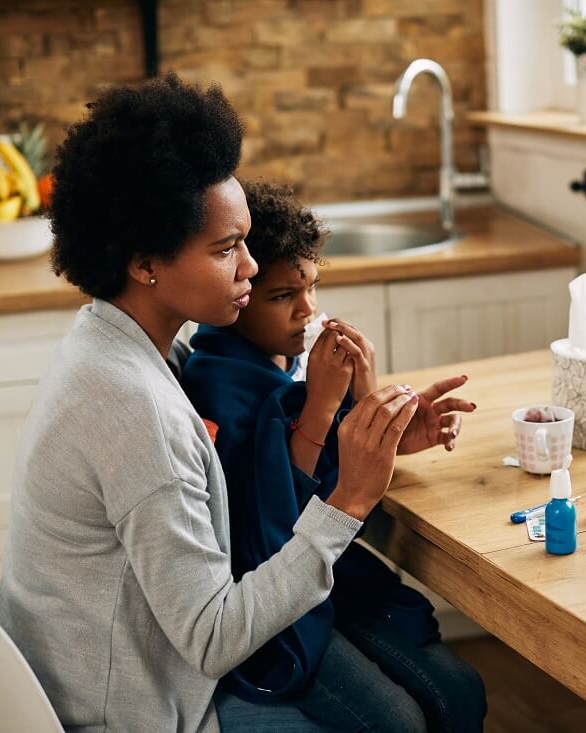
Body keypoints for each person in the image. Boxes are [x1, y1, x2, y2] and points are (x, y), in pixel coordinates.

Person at [0, 73, 423, 733]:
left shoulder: (120, 343)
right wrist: (350, 502)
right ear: (145, 263)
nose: (252, 266)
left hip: (130, 664)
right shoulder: (135, 409)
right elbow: (214, 636)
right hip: (131, 706)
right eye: (227, 249)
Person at [180, 180, 486, 732]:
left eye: (313, 288)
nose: (307, 310)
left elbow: (329, 482)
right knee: (399, 720)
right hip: (271, 607)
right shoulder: (220, 383)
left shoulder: (278, 363)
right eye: (282, 297)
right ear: (240, 296)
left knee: (462, 690)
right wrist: (322, 407)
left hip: (326, 576)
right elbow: (274, 527)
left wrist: (382, 423)